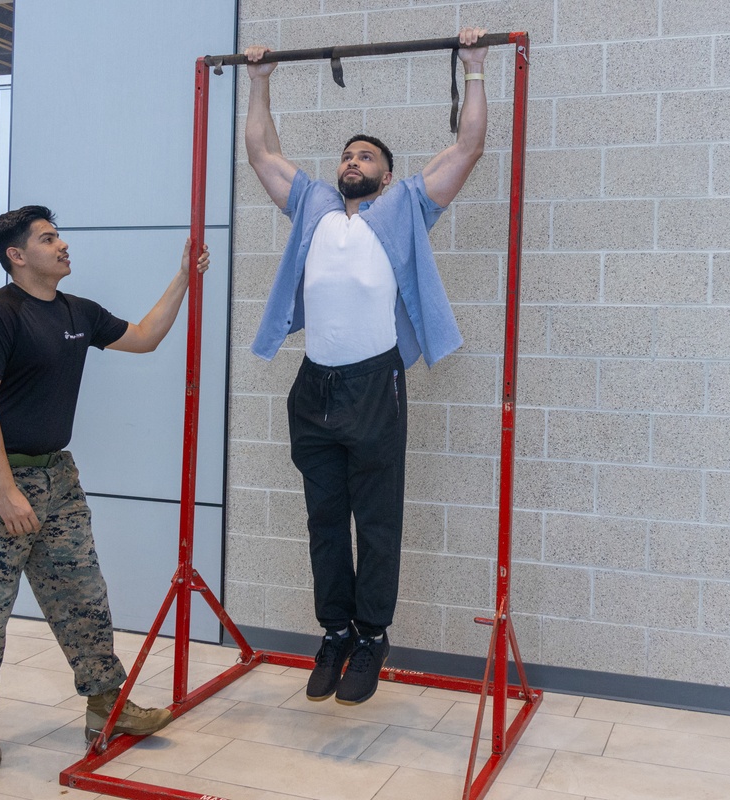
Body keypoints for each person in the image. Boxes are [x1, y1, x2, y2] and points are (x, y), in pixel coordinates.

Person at [244, 26, 488, 706]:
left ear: (385, 170)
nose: (352, 161)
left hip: (375, 383)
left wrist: (473, 67)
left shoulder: (408, 204)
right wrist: (260, 79)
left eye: (366, 156)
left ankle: (373, 636)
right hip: (313, 385)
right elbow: (261, 151)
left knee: (374, 519)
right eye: (347, 154)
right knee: (325, 517)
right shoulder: (314, 203)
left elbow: (467, 146)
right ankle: (336, 632)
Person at [0, 205, 209, 771]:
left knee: (82, 595)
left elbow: (144, 338)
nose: (62, 245)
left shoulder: (76, 311)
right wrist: (5, 489)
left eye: (58, 235)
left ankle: (105, 703)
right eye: (47, 238)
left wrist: (184, 276)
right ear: (17, 256)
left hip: (56, 477)